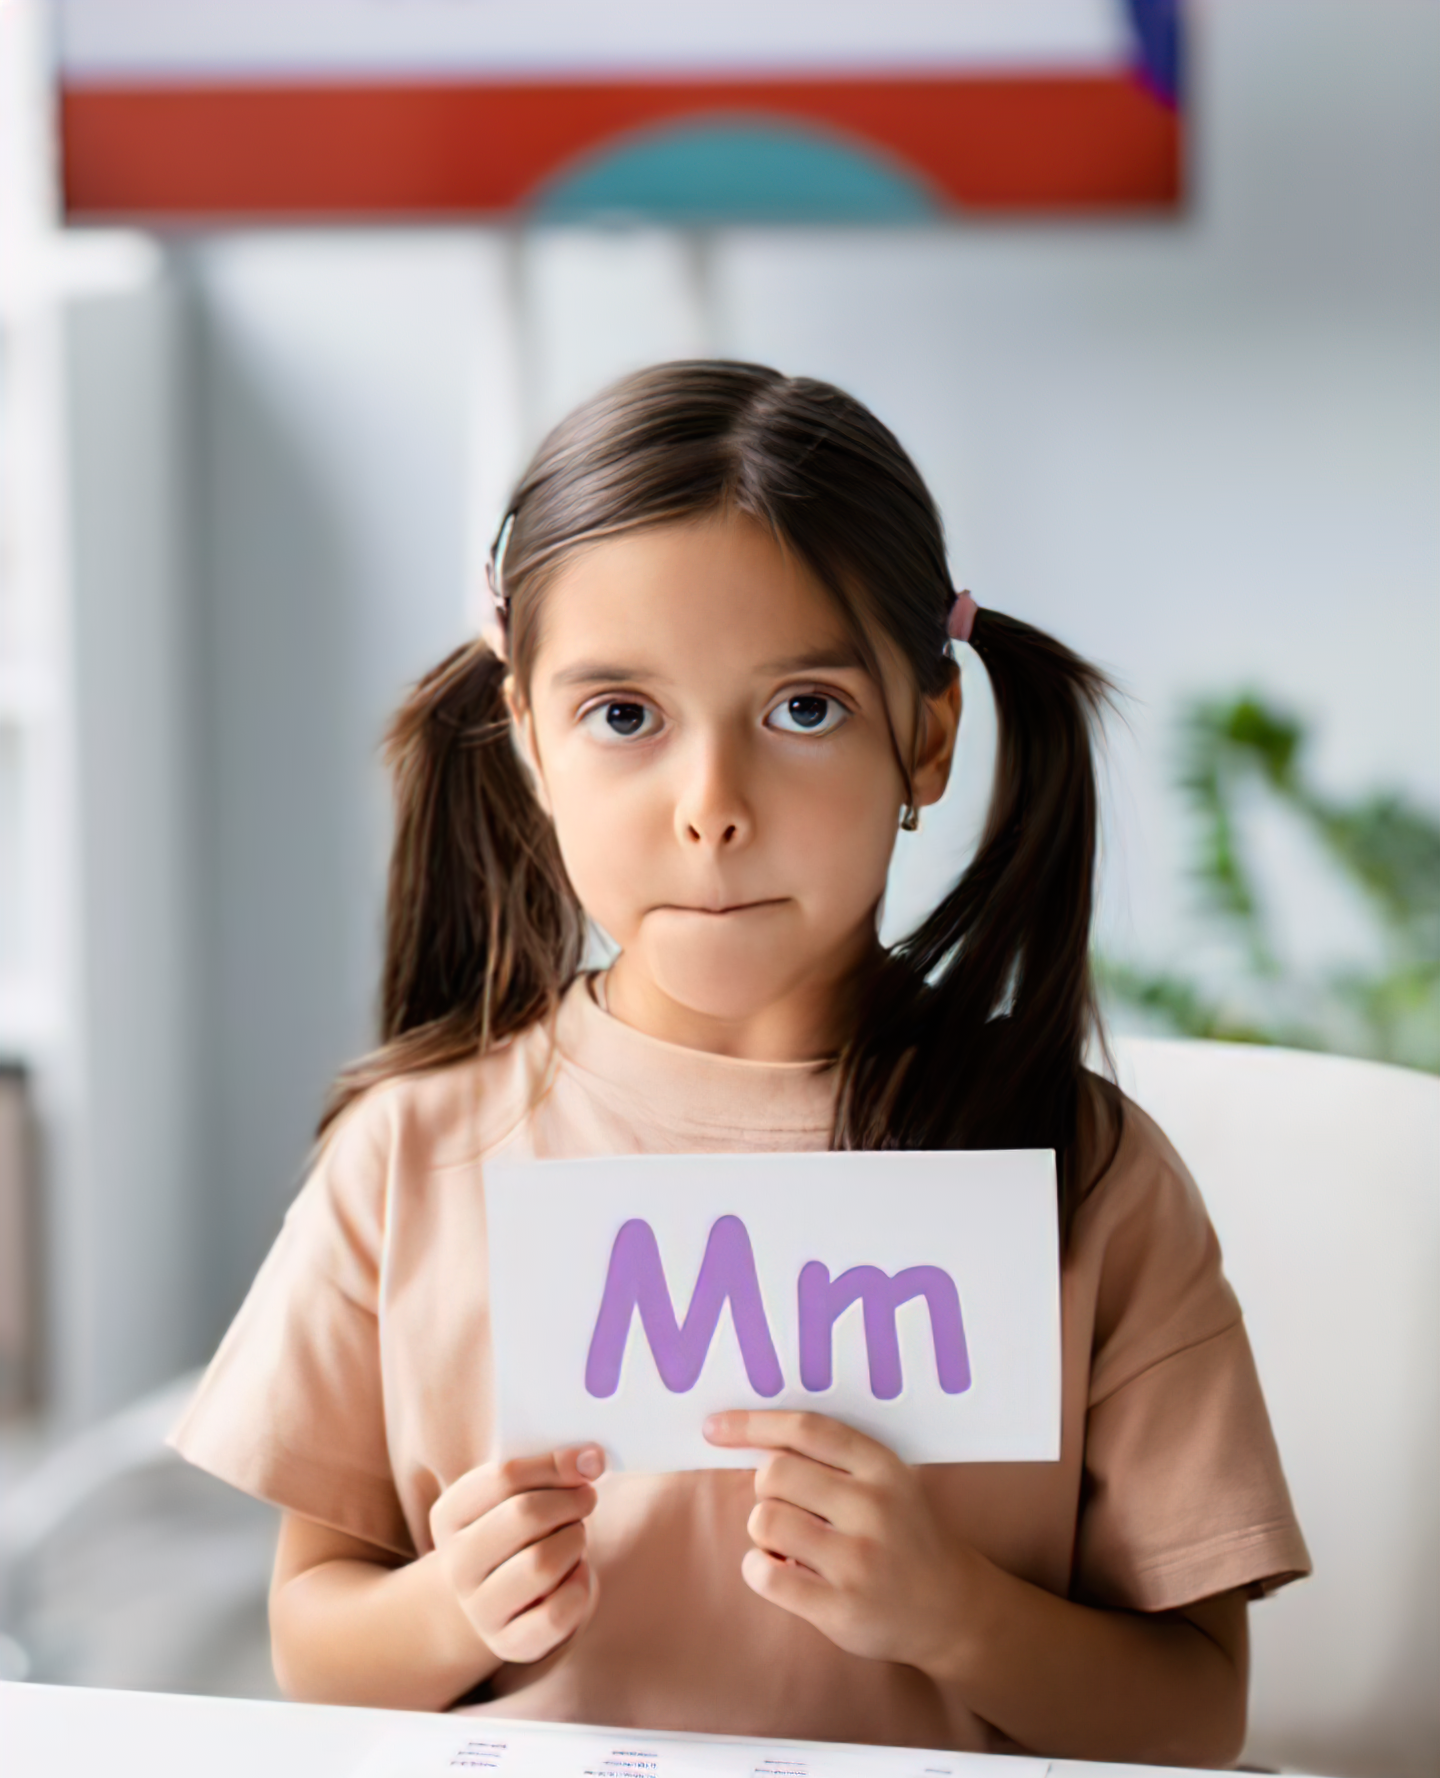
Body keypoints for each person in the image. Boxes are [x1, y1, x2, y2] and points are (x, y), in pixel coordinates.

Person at [172, 362, 1309, 1764]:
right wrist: (453, 1609)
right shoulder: (408, 1157)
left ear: (929, 737)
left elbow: (1197, 1716)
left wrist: (954, 1612)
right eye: (626, 715)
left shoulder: (1087, 1175)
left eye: (804, 710)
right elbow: (316, 1645)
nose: (710, 809)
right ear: (528, 734)